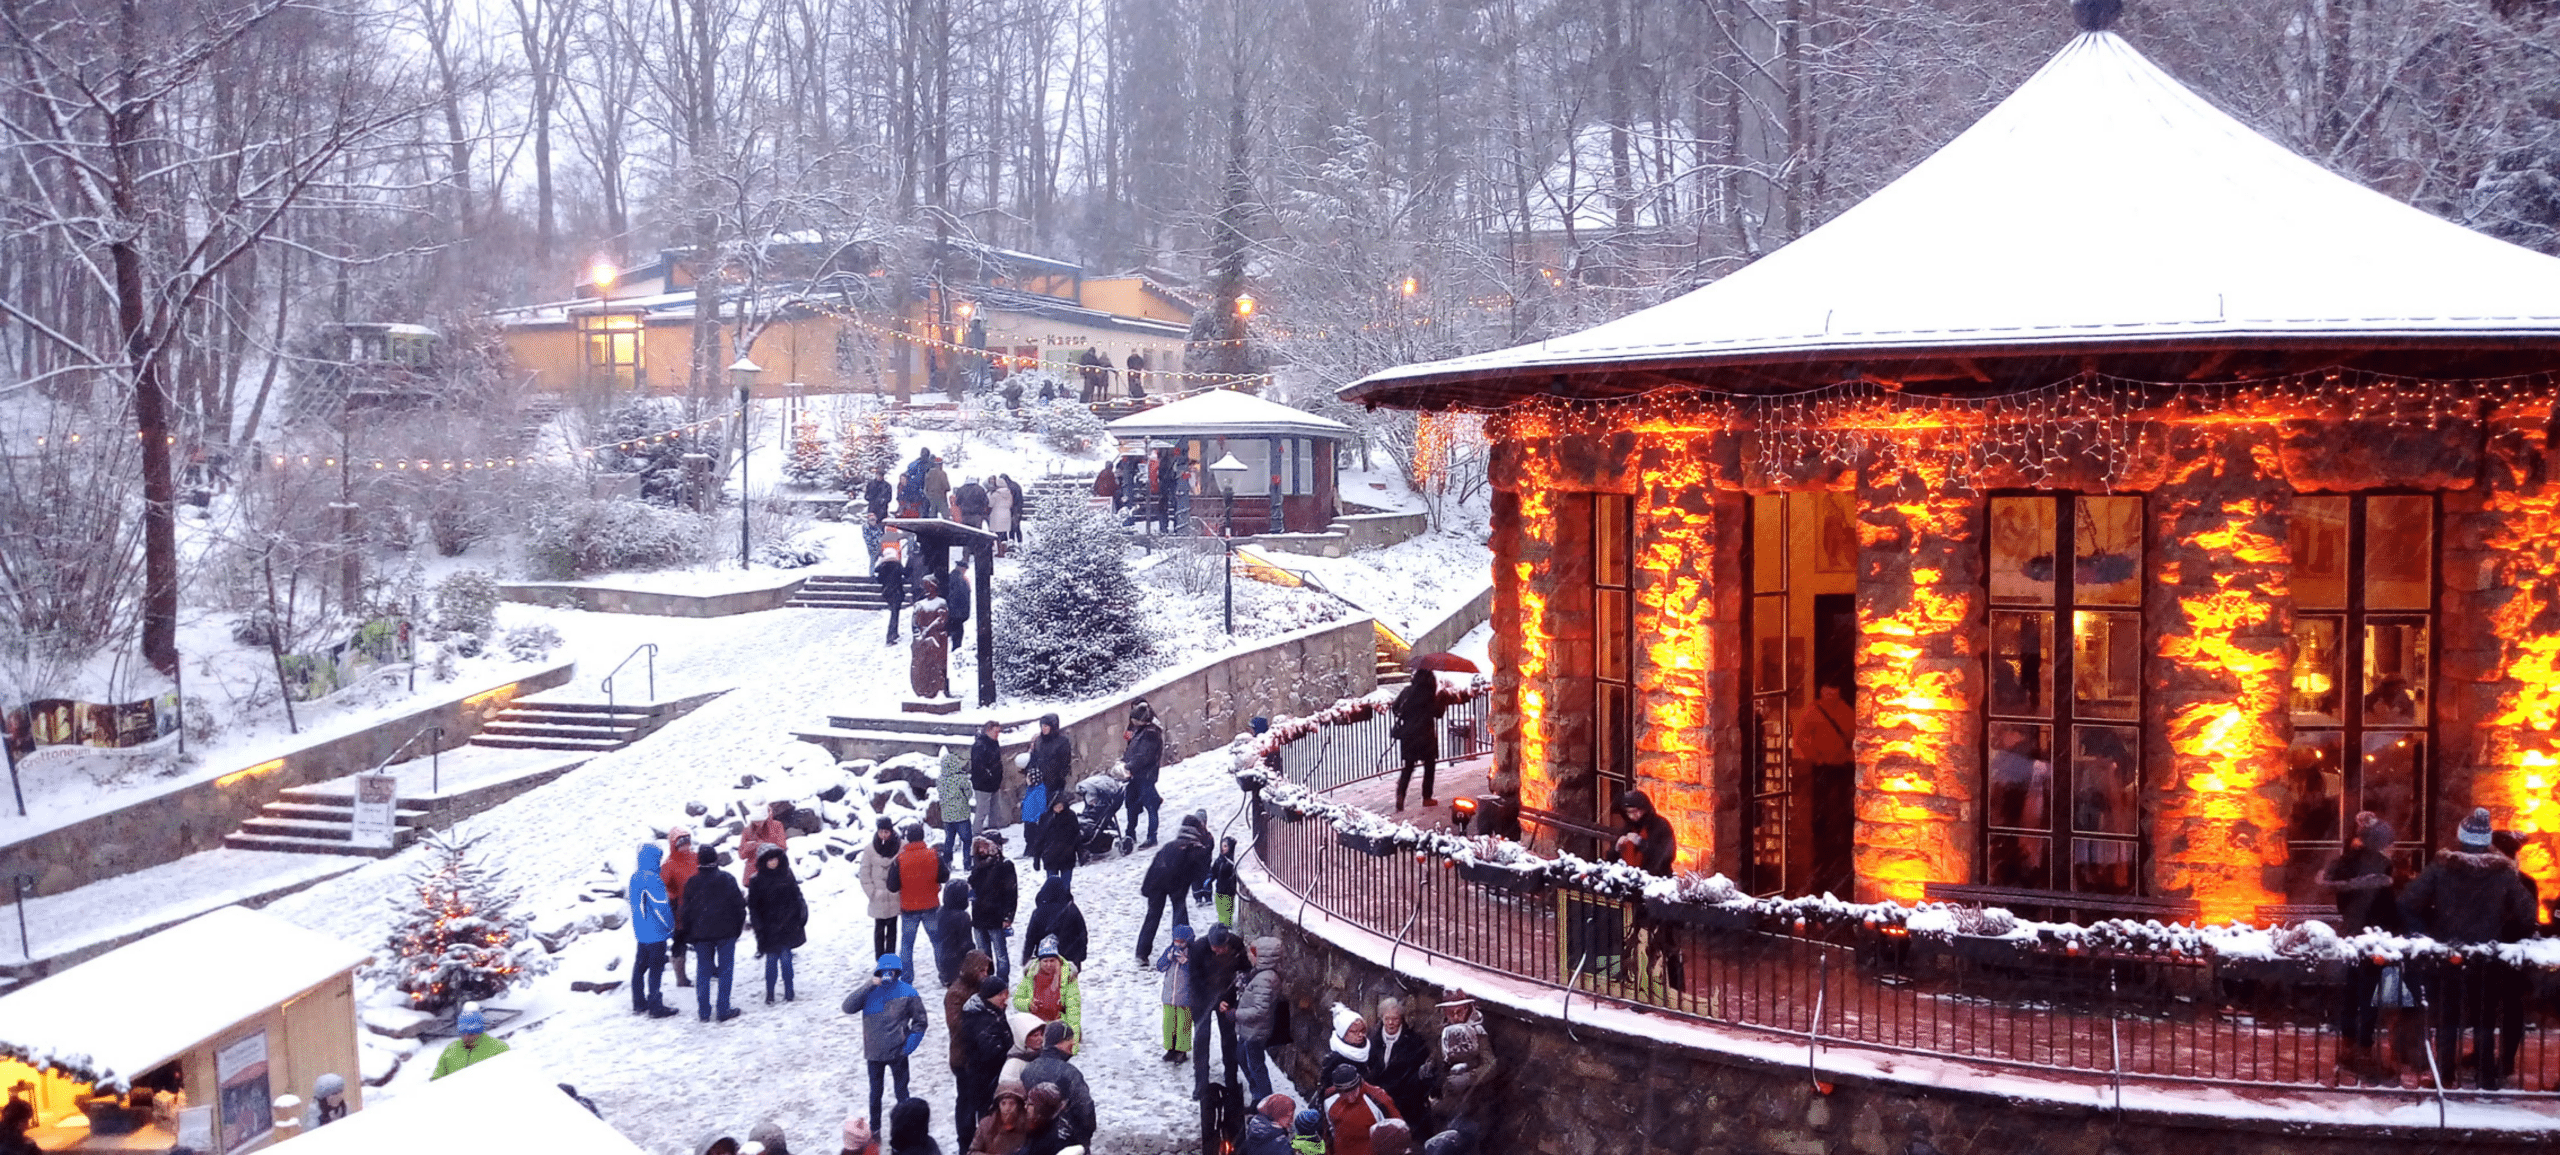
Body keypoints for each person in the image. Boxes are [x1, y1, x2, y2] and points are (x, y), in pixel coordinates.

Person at [2399, 807, 2537, 1090]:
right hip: (2488, 955)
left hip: (2450, 953)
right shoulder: (2502, 874)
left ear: (2461, 838)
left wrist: (2426, 933)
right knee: (2485, 1018)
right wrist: (2506, 932)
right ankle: (2486, 1076)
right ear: (2487, 841)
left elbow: (2408, 902)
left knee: (2449, 1016)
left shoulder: (2442, 868)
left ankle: (2446, 1075)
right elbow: (2526, 913)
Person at [2319, 810, 2405, 1083]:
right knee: (2373, 995)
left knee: (2352, 992)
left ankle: (2348, 1045)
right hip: (2378, 937)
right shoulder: (2380, 866)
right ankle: (2365, 1048)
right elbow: (2389, 905)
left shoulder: (2345, 863)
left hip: (2352, 935)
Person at [842, 955, 931, 1129]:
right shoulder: (869, 992)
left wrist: (909, 1045)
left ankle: (906, 1128)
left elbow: (920, 1021)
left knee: (902, 1093)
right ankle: (875, 1129)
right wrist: (869, 984)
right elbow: (847, 1007)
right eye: (884, 971)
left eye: (891, 971)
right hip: (874, 1054)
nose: (888, 975)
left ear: (897, 972)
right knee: (875, 1094)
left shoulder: (908, 992)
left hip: (898, 1053)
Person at [1793, 682, 1857, 898]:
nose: (1831, 694)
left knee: (1839, 805)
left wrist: (1849, 756)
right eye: (1828, 690)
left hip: (1841, 767)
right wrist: (1815, 756)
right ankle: (1822, 837)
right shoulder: (1814, 711)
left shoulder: (1845, 710)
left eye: (1834, 690)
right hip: (1823, 767)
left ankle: (1836, 840)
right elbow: (1800, 736)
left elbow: (1853, 734)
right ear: (1822, 691)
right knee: (1821, 804)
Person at [680, 844, 748, 1021]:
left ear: (699, 861)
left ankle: (704, 1011)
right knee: (726, 971)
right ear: (716, 859)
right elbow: (740, 907)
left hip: (700, 935)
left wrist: (689, 934)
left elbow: (684, 911)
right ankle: (723, 1009)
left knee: (703, 971)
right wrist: (736, 929)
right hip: (726, 933)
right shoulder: (727, 879)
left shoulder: (692, 882)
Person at [1137, 810, 1212, 962]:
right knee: (1179, 914)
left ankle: (1141, 953)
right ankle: (1182, 949)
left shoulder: (1169, 845)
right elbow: (1201, 873)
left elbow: (1154, 866)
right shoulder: (1194, 848)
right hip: (1177, 885)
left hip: (1156, 884)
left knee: (1152, 916)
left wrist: (1146, 888)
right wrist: (1208, 848)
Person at [1189, 923, 1247, 1102]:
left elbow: (1243, 969)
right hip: (1202, 999)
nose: (1218, 951)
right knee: (1201, 1039)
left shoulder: (1236, 945)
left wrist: (1228, 998)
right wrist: (1213, 1000)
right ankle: (1201, 1084)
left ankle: (1231, 1080)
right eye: (1215, 947)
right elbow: (1195, 980)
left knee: (1229, 1040)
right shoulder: (1198, 948)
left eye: (1221, 948)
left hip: (1226, 997)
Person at [748, 845, 811, 1004]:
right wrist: (759, 928)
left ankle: (789, 991)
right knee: (771, 962)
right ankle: (770, 992)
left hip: (787, 925)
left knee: (786, 960)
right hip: (768, 928)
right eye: (769, 860)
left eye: (775, 859)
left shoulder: (787, 875)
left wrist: (800, 915)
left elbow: (797, 896)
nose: (773, 862)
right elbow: (754, 907)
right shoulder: (756, 881)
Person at [957, 975, 1014, 1150]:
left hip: (985, 1075)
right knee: (986, 1116)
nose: (1005, 998)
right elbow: (991, 1051)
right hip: (982, 1077)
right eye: (1000, 995)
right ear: (989, 996)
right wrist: (1009, 1052)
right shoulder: (981, 1019)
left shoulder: (992, 1010)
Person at [1018, 1022, 1095, 1149]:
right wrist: (1083, 1139)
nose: (1074, 1044)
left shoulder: (1028, 1069)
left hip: (1032, 1142)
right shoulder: (1070, 1073)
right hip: (1065, 1143)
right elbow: (1085, 1109)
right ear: (1061, 1041)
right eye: (1071, 1039)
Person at [891, 823, 952, 978]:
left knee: (906, 945)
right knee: (938, 942)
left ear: (907, 838)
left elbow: (892, 885)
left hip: (909, 908)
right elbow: (945, 876)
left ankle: (906, 977)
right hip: (931, 905)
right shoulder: (934, 854)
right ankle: (945, 974)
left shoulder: (900, 859)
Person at [1233, 935, 1285, 1103]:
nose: (1249, 955)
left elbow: (1260, 1010)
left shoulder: (1265, 979)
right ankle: (1259, 1098)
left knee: (1256, 1067)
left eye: (1253, 953)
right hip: (1250, 1030)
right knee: (1243, 1057)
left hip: (1256, 1031)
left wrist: (1235, 1014)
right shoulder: (1262, 975)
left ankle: (1264, 1103)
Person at [629, 843, 679, 1017]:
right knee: (655, 969)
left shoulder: (635, 877)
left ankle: (638, 1003)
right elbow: (661, 908)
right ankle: (655, 1006)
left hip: (641, 932)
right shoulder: (653, 880)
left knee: (639, 967)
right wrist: (671, 927)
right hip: (656, 933)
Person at [1371, 998, 1431, 1130]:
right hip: (1378, 1098)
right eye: (1387, 1019)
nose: (1391, 1023)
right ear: (1382, 1018)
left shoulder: (1413, 1041)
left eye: (1395, 1019)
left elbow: (1416, 1073)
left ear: (1401, 1019)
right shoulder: (1373, 1038)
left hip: (1404, 1100)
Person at [1390, 669, 1445, 810]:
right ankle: (1427, 797)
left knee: (1408, 767)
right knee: (1429, 765)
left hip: (1408, 736)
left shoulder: (1407, 691)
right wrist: (1442, 699)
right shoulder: (1429, 694)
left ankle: (1401, 795)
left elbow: (1395, 708)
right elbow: (1438, 713)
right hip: (1425, 736)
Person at [970, 835, 1020, 984]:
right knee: (983, 954)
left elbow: (1011, 893)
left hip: (996, 916)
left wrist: (1008, 917)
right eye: (979, 847)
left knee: (1000, 953)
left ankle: (1001, 982)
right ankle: (987, 982)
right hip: (979, 916)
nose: (982, 850)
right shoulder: (978, 865)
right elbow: (972, 886)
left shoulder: (1004, 865)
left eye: (985, 846)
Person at [1322, 1063, 1400, 1155]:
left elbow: (1398, 1133)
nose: (1350, 1098)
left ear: (1359, 1083)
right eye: (1344, 1093)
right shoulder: (1329, 1099)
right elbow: (1329, 1132)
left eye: (1353, 1090)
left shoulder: (1378, 1099)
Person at [1014, 937, 1083, 1038]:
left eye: (1052, 960)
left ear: (1058, 960)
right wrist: (1028, 1004)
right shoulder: (1030, 975)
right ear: (1039, 961)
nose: (1049, 965)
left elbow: (1073, 1010)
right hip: (1035, 1023)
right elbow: (1017, 1000)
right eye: (1045, 961)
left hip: (1059, 1023)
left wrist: (1073, 1040)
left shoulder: (1068, 977)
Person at [1120, 703, 1167, 846]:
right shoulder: (1140, 731)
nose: (1133, 722)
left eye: (1135, 719)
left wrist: (1128, 766)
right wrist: (1124, 762)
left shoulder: (1151, 733)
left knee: (1150, 806)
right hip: (1135, 775)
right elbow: (1132, 751)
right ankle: (1130, 833)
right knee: (1131, 804)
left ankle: (1152, 837)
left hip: (1145, 776)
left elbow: (1144, 756)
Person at [1019, 877, 1088, 970]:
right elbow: (1082, 933)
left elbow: (1030, 937)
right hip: (1070, 958)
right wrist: (1081, 954)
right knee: (1069, 983)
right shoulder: (1072, 909)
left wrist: (1026, 957)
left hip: (1046, 959)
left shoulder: (1038, 912)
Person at [861, 817, 904, 960]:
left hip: (894, 896)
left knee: (892, 929)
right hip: (878, 898)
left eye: (886, 832)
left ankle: (890, 960)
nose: (883, 835)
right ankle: (879, 959)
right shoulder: (870, 849)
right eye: (881, 832)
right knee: (879, 930)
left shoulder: (901, 846)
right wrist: (872, 893)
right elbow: (864, 873)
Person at [664, 826, 701, 988]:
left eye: (687, 842)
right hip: (680, 909)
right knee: (679, 942)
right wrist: (672, 897)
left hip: (700, 906)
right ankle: (681, 976)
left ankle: (710, 968)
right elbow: (663, 886)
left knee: (705, 939)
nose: (685, 846)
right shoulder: (669, 864)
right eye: (681, 844)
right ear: (674, 845)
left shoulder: (696, 857)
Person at [430, 1008, 510, 1078]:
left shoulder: (499, 1049)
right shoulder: (450, 1050)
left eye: (471, 1033)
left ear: (480, 1031)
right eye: (463, 1033)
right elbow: (437, 1079)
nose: (467, 1037)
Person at [1155, 924, 1195, 1064]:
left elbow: (1197, 973)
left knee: (1183, 1025)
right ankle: (1170, 1048)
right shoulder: (1170, 950)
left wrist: (1186, 962)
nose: (1178, 944)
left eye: (1181, 941)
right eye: (1176, 941)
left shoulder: (1193, 953)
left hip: (1185, 997)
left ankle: (1181, 1050)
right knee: (1168, 1024)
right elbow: (1159, 966)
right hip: (1169, 996)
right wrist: (1168, 957)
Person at [1615, 790, 1677, 876]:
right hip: (1629, 876)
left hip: (1655, 877)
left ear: (1644, 809)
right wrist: (1617, 848)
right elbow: (1616, 858)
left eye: (1635, 811)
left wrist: (1641, 843)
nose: (1632, 816)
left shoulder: (1660, 825)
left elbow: (1666, 855)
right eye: (1629, 812)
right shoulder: (1629, 826)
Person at [967, 1080, 1033, 1155]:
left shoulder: (1028, 1125)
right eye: (1003, 1103)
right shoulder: (986, 1124)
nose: (1007, 1108)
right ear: (998, 1105)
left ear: (1019, 1106)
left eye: (1012, 1103)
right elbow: (971, 1152)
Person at [912, 576, 951, 699]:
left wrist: (932, 631)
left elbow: (942, 621)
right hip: (921, 640)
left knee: (935, 664)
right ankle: (921, 688)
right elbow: (914, 623)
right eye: (924, 585)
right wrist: (918, 635)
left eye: (929, 585)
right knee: (920, 664)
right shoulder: (919, 604)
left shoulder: (941, 602)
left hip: (936, 639)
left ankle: (934, 688)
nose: (926, 588)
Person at [969, 720, 1007, 845]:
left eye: (998, 732)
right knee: (982, 811)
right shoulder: (980, 745)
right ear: (988, 730)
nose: (997, 734)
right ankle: (976, 836)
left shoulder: (994, 742)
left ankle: (994, 835)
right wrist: (989, 775)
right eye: (995, 732)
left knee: (995, 810)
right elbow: (978, 765)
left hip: (994, 783)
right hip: (983, 784)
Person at [933, 881, 976, 987]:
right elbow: (967, 943)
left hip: (945, 960)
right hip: (958, 963)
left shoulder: (941, 913)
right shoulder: (962, 917)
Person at [1032, 794, 1080, 888]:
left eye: (1060, 806)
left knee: (1065, 886)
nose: (1058, 808)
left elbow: (1076, 836)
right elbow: (1040, 838)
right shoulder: (1046, 817)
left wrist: (1081, 852)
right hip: (1050, 857)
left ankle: (1065, 901)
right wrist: (1036, 857)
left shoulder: (1070, 816)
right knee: (1052, 887)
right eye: (1056, 806)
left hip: (1067, 856)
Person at [742, 799, 793, 883]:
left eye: (760, 821)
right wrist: (750, 846)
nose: (758, 824)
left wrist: (763, 846)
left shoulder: (776, 826)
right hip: (754, 873)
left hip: (774, 871)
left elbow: (782, 847)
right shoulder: (747, 830)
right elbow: (742, 855)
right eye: (755, 821)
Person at [1322, 1007, 1372, 1090]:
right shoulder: (1334, 1059)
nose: (1360, 1035)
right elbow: (1326, 1089)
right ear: (1343, 1033)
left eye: (1362, 1030)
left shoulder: (1369, 1051)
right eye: (1354, 1031)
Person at [940, 745, 974, 859]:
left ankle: (947, 862)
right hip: (961, 815)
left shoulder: (940, 780)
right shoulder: (961, 779)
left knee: (949, 840)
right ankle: (967, 862)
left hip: (947, 816)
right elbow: (969, 794)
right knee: (967, 840)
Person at [1028, 714, 1074, 799]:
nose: (1043, 729)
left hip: (1056, 782)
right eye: (1042, 726)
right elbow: (1033, 757)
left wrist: (1060, 779)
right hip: (1040, 781)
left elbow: (1065, 763)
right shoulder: (1038, 741)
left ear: (1052, 727)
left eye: (1046, 726)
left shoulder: (1062, 742)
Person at [1017, 1085, 1070, 1155]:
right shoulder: (1037, 1128)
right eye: (1026, 1102)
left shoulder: (1051, 1141)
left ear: (1041, 1110)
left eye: (1030, 1104)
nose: (1025, 1107)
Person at [875, 546, 910, 645]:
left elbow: (878, 579)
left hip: (887, 592)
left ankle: (894, 633)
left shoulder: (882, 566)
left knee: (894, 613)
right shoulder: (897, 565)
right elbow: (906, 574)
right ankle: (891, 636)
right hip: (896, 592)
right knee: (895, 614)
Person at [1207, 836, 1240, 926]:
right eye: (1222, 846)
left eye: (1225, 846)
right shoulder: (1220, 859)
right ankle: (1222, 923)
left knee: (1227, 909)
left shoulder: (1232, 862)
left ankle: (1226, 925)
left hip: (1228, 891)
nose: (1223, 848)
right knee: (1220, 908)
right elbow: (1214, 870)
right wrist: (1210, 878)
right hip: (1219, 889)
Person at [945, 567, 972, 651]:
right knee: (957, 631)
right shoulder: (961, 580)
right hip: (958, 611)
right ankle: (956, 648)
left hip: (954, 611)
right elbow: (963, 596)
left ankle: (955, 647)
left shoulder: (955, 578)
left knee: (954, 630)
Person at [988, 478, 1017, 547]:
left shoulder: (995, 494)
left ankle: (1000, 551)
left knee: (998, 534)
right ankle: (1005, 548)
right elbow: (1011, 504)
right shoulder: (1009, 493)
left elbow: (990, 504)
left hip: (997, 514)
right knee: (1004, 533)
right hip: (1007, 514)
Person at [925, 456, 952, 520]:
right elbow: (947, 487)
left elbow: (926, 487)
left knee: (932, 516)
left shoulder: (928, 473)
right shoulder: (942, 473)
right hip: (940, 497)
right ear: (941, 464)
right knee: (946, 515)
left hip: (931, 497)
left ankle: (931, 529)